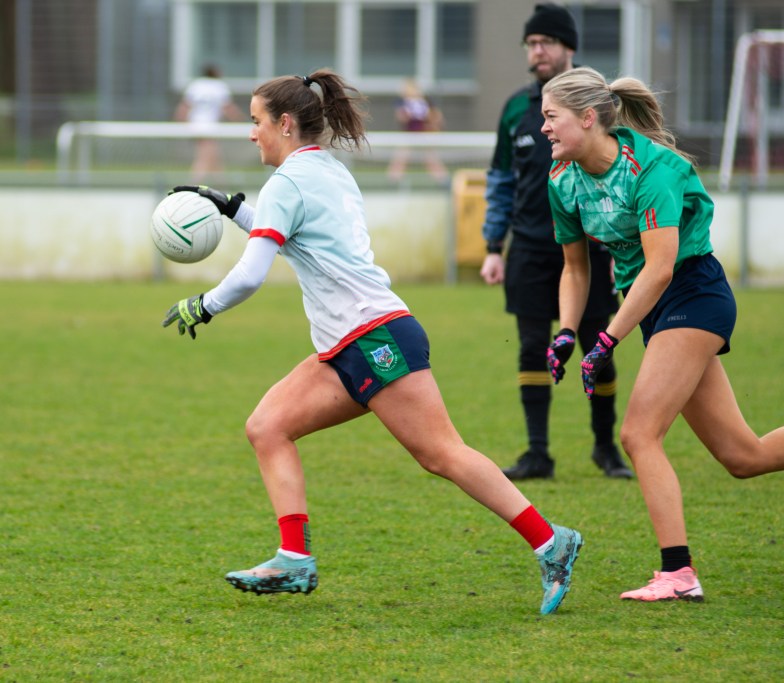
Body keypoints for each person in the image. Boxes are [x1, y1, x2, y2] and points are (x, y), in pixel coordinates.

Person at [161, 68, 582, 615]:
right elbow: (294, 237)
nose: (250, 132)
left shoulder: (288, 183)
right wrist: (230, 207)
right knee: (267, 427)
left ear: (284, 124)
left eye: (256, 121)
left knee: (441, 454)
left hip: (374, 336)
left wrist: (203, 305)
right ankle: (294, 558)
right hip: (347, 345)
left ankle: (552, 541)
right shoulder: (326, 170)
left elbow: (250, 274)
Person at [540, 66, 784, 602]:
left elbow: (660, 269)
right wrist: (566, 332)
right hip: (653, 308)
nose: (544, 128)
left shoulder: (652, 168)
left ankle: (678, 573)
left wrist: (606, 341)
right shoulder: (562, 178)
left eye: (551, 117)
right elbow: (575, 268)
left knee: (638, 434)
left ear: (587, 118)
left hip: (693, 294)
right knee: (744, 456)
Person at [480, 3, 631, 481]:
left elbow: (621, 176)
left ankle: (605, 448)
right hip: (528, 249)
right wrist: (492, 246)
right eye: (530, 43)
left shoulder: (597, 107)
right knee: (531, 348)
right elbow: (501, 180)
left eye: (545, 42)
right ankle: (537, 453)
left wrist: (622, 247)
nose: (537, 51)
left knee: (597, 347)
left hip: (591, 251)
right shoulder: (515, 110)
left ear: (568, 47)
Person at [175, 64, 244, 182]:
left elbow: (185, 106)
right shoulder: (219, 86)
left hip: (195, 125)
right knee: (205, 156)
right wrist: (240, 120)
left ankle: (220, 181)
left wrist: (180, 121)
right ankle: (195, 182)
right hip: (210, 127)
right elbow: (227, 107)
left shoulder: (196, 85)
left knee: (213, 154)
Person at [386, 78, 448, 183]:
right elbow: (401, 117)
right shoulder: (402, 103)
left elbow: (437, 118)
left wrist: (427, 115)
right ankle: (393, 181)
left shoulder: (426, 101)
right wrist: (409, 112)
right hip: (409, 135)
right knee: (401, 158)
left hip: (425, 134)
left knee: (431, 159)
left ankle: (443, 180)